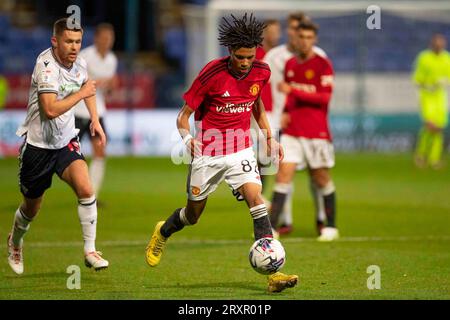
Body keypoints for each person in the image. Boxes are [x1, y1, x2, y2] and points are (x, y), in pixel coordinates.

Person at [145, 13, 298, 293]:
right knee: (192, 216)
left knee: (256, 200)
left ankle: (273, 272)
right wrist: (187, 137)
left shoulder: (261, 72)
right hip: (208, 153)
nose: (245, 62)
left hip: (241, 149)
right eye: (240, 57)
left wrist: (269, 137)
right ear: (230, 52)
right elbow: (183, 115)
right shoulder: (211, 74)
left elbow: (256, 105)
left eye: (250, 57)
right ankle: (163, 231)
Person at [7, 18, 109, 275]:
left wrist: (95, 119)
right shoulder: (46, 67)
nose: (74, 47)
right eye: (68, 41)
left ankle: (90, 250)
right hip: (38, 149)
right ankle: (15, 241)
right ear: (55, 41)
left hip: (65, 142)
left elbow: (89, 89)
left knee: (86, 189)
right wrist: (81, 94)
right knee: (31, 209)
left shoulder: (80, 64)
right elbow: (50, 109)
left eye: (77, 41)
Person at [269, 21, 339, 242]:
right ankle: (270, 229)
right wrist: (287, 111)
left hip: (316, 131)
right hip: (292, 131)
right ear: (295, 39)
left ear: (314, 40)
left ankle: (331, 226)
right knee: (283, 175)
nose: (305, 41)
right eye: (302, 37)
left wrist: (294, 91)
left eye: (309, 37)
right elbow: (289, 97)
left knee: (321, 178)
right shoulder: (290, 64)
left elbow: (324, 98)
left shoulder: (322, 64)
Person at [74, 23, 118, 201]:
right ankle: (36, 188)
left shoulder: (112, 60)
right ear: (97, 38)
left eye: (111, 38)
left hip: (96, 112)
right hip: (77, 111)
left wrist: (111, 87)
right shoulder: (84, 56)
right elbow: (76, 84)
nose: (108, 41)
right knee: (61, 154)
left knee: (100, 152)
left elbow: (107, 92)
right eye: (105, 37)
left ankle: (91, 194)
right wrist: (100, 82)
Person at [413, 33, 450, 169]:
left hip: (440, 97)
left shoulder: (447, 58)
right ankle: (420, 155)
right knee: (430, 126)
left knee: (438, 129)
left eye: (442, 44)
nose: (439, 46)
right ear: (432, 44)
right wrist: (427, 85)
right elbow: (417, 78)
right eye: (437, 44)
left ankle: (434, 159)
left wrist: (445, 81)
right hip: (427, 96)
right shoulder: (424, 58)